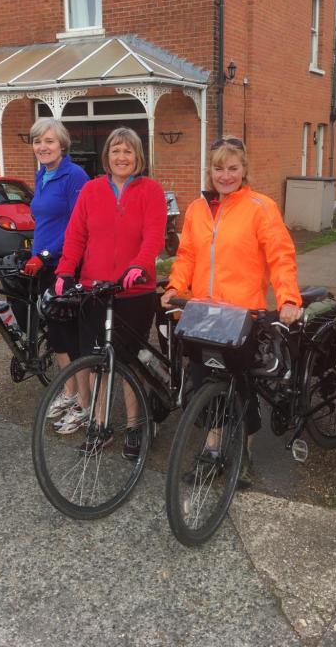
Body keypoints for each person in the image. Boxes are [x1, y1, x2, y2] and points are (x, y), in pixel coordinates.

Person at [161, 136, 302, 488]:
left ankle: (243, 453)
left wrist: (288, 299)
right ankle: (211, 452)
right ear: (210, 171)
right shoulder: (197, 209)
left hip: (242, 315)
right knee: (202, 380)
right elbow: (188, 256)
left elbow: (280, 256)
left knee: (241, 387)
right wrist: (175, 288)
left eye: (233, 168)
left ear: (244, 170)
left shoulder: (260, 207)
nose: (225, 175)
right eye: (218, 168)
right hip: (202, 313)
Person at [53, 127, 167, 456]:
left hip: (134, 290)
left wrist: (139, 265)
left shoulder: (151, 190)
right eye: (116, 151)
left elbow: (153, 236)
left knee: (129, 362)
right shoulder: (90, 191)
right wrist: (64, 271)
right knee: (100, 359)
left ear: (138, 157)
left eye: (128, 151)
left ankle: (134, 425)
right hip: (95, 290)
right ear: (107, 156)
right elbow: (76, 236)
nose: (122, 157)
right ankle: (100, 426)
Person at [22, 117, 89, 416]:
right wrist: (34, 251)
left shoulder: (75, 176)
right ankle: (69, 390)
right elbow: (44, 220)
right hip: (43, 262)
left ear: (62, 144)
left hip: (65, 264)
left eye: (49, 141)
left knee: (70, 333)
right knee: (56, 334)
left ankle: (84, 403)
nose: (42, 146)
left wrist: (47, 253)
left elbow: (78, 225)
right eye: (38, 141)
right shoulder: (42, 175)